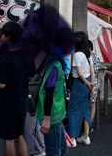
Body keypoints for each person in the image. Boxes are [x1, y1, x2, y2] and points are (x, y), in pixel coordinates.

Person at [0, 22, 32, 156]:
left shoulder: (5, 58)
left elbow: (2, 84)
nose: (0, 37)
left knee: (8, 139)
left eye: (2, 34)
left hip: (8, 102)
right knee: (19, 136)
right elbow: (32, 72)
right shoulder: (26, 54)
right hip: (22, 100)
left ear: (7, 36)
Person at [37, 28, 75, 156]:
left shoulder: (57, 59)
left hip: (57, 114)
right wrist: (47, 118)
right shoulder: (56, 64)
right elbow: (49, 90)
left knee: (62, 149)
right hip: (51, 116)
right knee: (54, 152)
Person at [67, 37, 93, 146]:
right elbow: (92, 72)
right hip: (88, 83)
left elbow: (79, 72)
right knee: (85, 110)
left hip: (79, 83)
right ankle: (85, 137)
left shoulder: (77, 55)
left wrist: (86, 83)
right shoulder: (88, 56)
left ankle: (72, 138)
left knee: (73, 110)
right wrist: (92, 85)